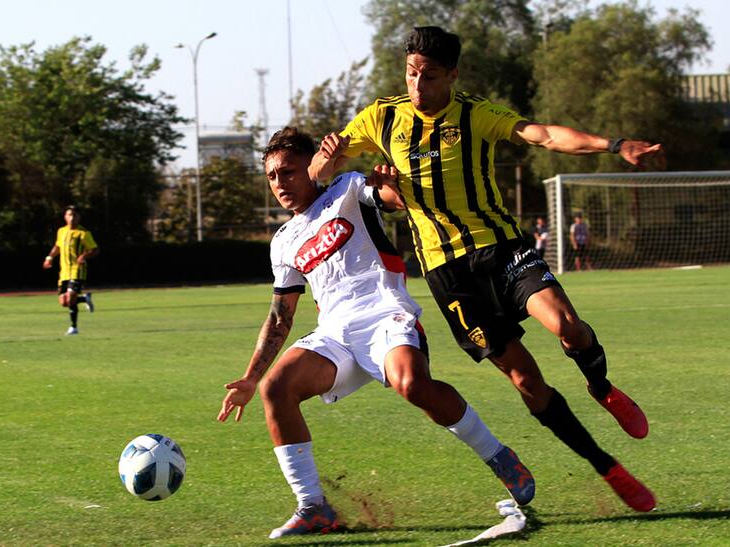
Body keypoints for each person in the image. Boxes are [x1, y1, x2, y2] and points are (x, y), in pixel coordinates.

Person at [309, 26, 661, 512]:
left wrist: (615, 144)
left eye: (430, 76)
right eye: (411, 74)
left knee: (568, 326)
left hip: (502, 249)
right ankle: (608, 468)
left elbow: (543, 134)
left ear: (453, 75)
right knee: (527, 382)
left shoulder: (475, 115)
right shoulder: (381, 117)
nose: (418, 85)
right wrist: (327, 160)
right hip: (450, 276)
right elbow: (318, 174)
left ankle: (601, 387)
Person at [218, 127, 535, 540]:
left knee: (413, 385)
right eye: (272, 176)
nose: (280, 183)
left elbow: (391, 200)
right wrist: (251, 377)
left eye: (289, 171)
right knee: (275, 388)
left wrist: (390, 187)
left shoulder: (347, 188)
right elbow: (281, 316)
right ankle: (314, 508)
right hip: (335, 334)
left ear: (312, 166)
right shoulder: (282, 241)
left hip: (386, 314)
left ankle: (498, 456)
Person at [42, 205, 98, 335]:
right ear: (65, 217)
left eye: (75, 215)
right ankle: (84, 299)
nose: (72, 218)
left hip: (77, 270)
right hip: (64, 272)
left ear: (79, 217)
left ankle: (73, 327)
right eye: (69, 215)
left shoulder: (83, 233)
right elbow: (57, 246)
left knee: (71, 297)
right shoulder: (61, 231)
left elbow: (95, 250)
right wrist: (49, 257)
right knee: (64, 302)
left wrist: (84, 256)